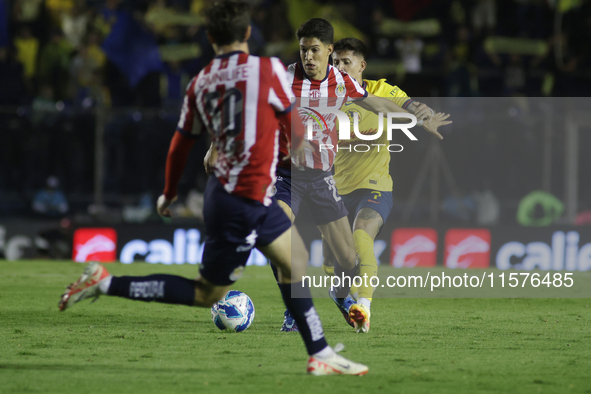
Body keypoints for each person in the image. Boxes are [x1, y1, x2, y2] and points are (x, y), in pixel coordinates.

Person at [59, 0, 368, 376]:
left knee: (291, 263)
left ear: (209, 37)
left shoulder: (201, 81)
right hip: (248, 196)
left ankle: (319, 353)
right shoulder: (268, 70)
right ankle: (106, 282)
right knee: (211, 291)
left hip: (228, 194)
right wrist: (297, 139)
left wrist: (170, 191)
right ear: (248, 34)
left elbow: (180, 144)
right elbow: (288, 121)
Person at [271, 19, 447, 333]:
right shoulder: (285, 77)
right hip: (292, 175)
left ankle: (354, 302)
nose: (310, 57)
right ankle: (296, 310)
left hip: (341, 182)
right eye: (304, 51)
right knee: (278, 235)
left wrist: (420, 117)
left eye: (317, 51)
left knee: (349, 259)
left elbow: (390, 102)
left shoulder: (349, 85)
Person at [328, 37, 452, 332]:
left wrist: (423, 117)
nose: (340, 68)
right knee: (339, 269)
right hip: (334, 191)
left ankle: (364, 307)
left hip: (375, 186)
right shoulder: (325, 95)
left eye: (346, 62)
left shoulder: (380, 90)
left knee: (362, 236)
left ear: (362, 65)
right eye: (335, 63)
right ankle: (341, 295)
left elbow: (408, 104)